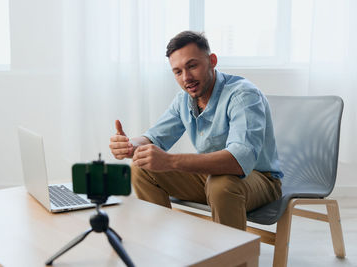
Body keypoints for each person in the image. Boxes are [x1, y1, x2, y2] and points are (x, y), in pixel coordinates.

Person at [109, 31, 283, 231]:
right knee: (141, 168)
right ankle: (158, 247)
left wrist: (170, 161)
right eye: (178, 72)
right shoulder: (184, 100)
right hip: (211, 177)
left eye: (192, 66)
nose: (186, 78)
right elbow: (154, 138)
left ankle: (232, 259)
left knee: (222, 185)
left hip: (260, 179)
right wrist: (130, 145)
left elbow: (238, 161)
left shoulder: (243, 95)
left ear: (212, 61)